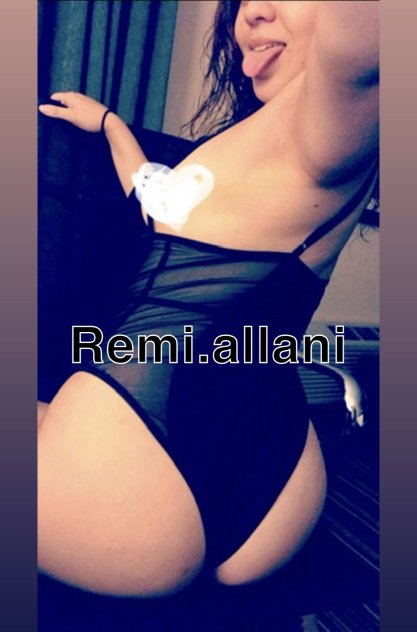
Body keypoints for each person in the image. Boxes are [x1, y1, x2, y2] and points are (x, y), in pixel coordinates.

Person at [38, 0, 379, 599]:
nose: (252, 13)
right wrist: (112, 125)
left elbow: (362, 34)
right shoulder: (270, 146)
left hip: (132, 468)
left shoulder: (332, 116)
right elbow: (159, 202)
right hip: (271, 478)